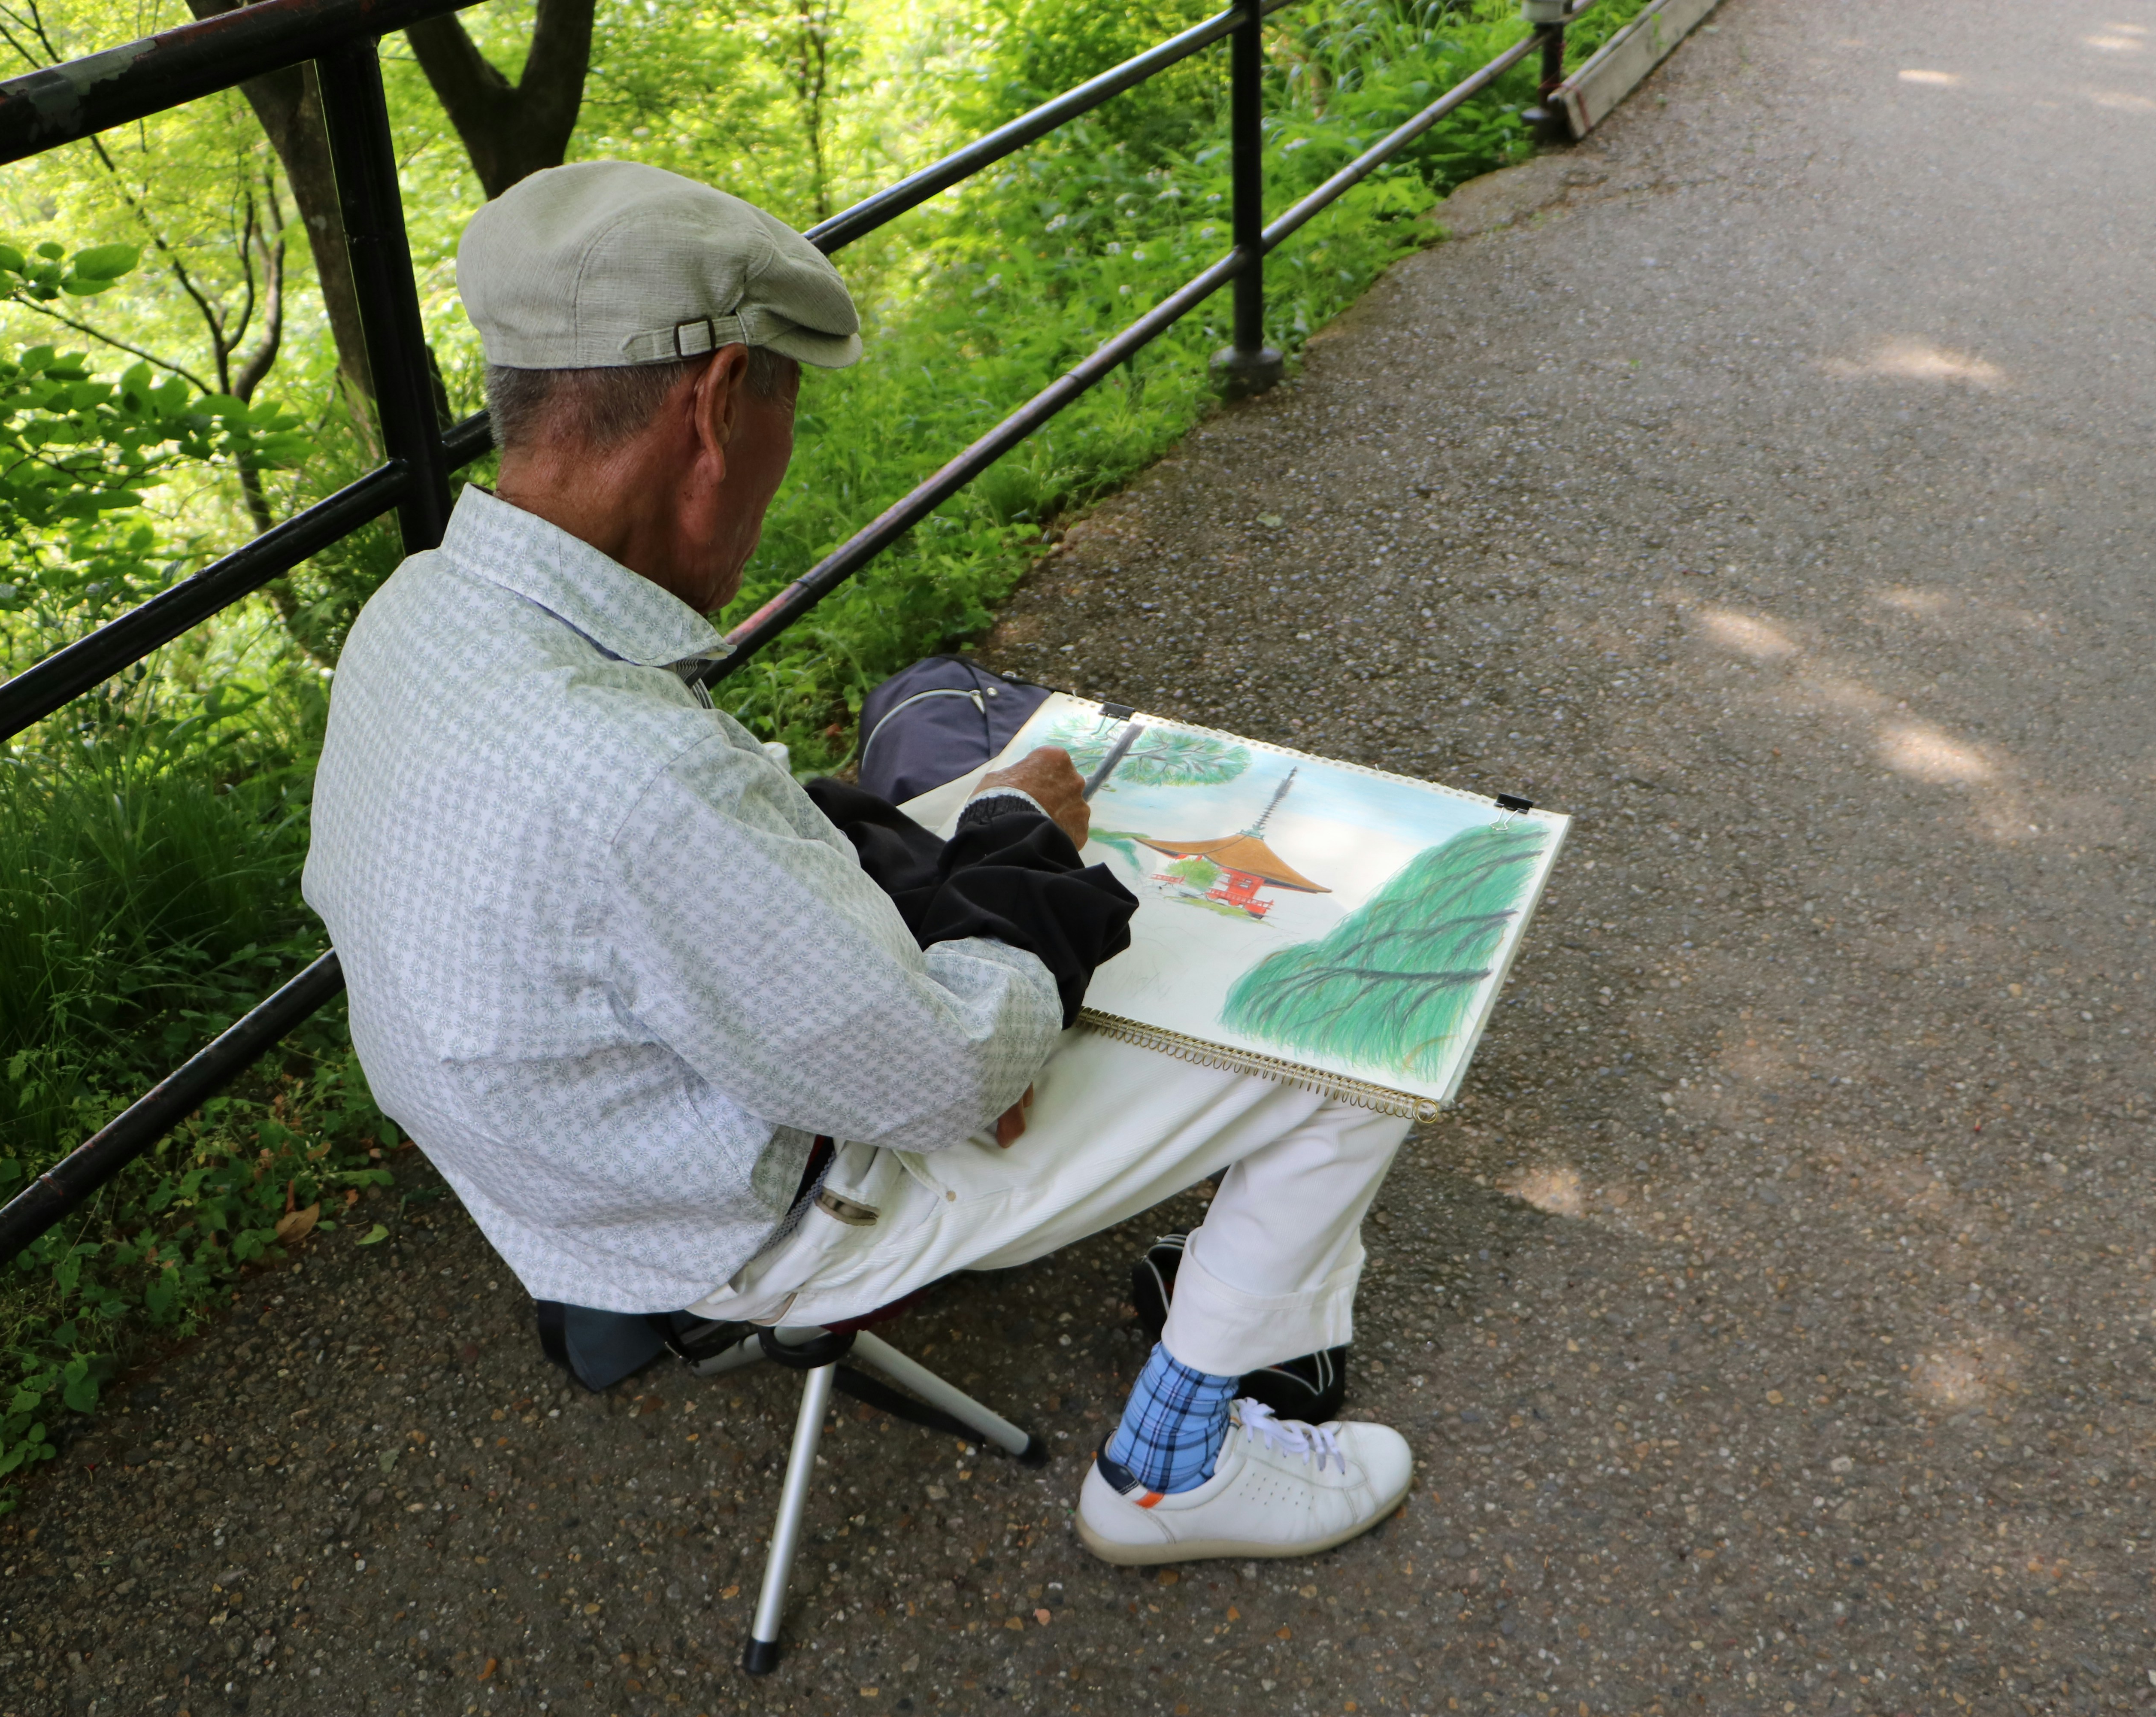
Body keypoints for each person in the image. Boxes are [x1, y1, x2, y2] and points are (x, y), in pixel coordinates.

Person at [303, 161, 1416, 1565]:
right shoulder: (634, 776)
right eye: (783, 410)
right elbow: (948, 1077)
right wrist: (1023, 844)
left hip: (569, 1191)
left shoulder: (417, 616)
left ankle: (1231, 1310)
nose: (779, 471)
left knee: (943, 847)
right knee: (1361, 1039)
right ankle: (1170, 1477)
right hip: (765, 1217)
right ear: (714, 406)